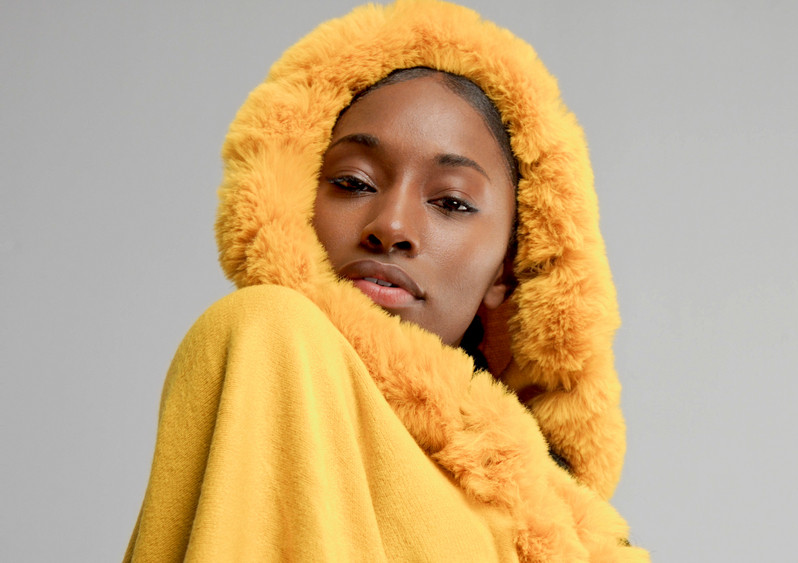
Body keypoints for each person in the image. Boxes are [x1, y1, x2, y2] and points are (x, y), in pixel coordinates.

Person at [124, 0, 647, 560]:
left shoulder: (546, 520)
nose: (392, 226)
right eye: (352, 182)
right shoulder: (266, 332)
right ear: (294, 203)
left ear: (507, 269)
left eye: (450, 201)